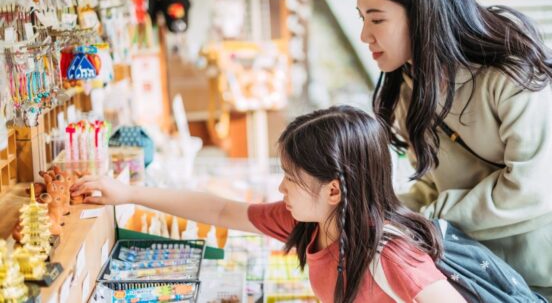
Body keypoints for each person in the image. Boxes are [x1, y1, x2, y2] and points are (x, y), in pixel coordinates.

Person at [72, 106, 466, 302]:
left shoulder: (395, 257)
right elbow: (222, 211)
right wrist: (128, 193)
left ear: (334, 190)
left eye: (292, 179)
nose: (281, 188)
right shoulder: (312, 222)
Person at [356, 0, 552, 298]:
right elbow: (436, 187)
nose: (365, 35)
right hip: (483, 274)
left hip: (541, 271)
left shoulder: (511, 73)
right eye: (362, 18)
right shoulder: (410, 91)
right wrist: (375, 214)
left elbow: (533, 187)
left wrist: (429, 219)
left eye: (377, 19)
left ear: (422, 14)